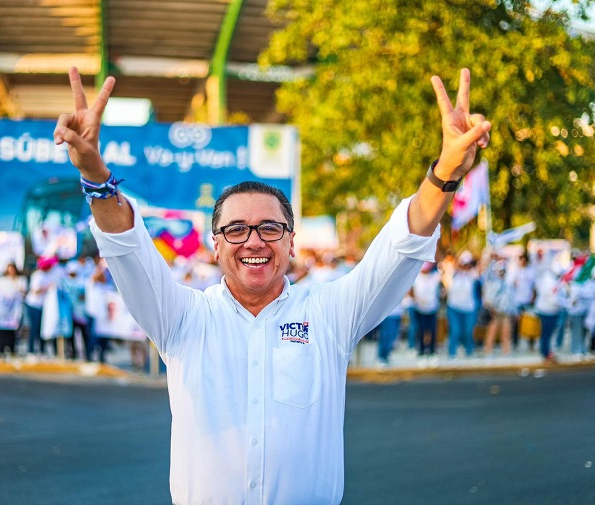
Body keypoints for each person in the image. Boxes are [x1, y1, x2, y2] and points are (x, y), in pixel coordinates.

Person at [54, 66, 491, 504]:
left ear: (291, 242)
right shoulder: (183, 318)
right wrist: (94, 171)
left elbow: (400, 248)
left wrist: (446, 170)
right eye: (237, 230)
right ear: (216, 245)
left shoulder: (328, 315)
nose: (254, 242)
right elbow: (128, 249)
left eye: (270, 228)